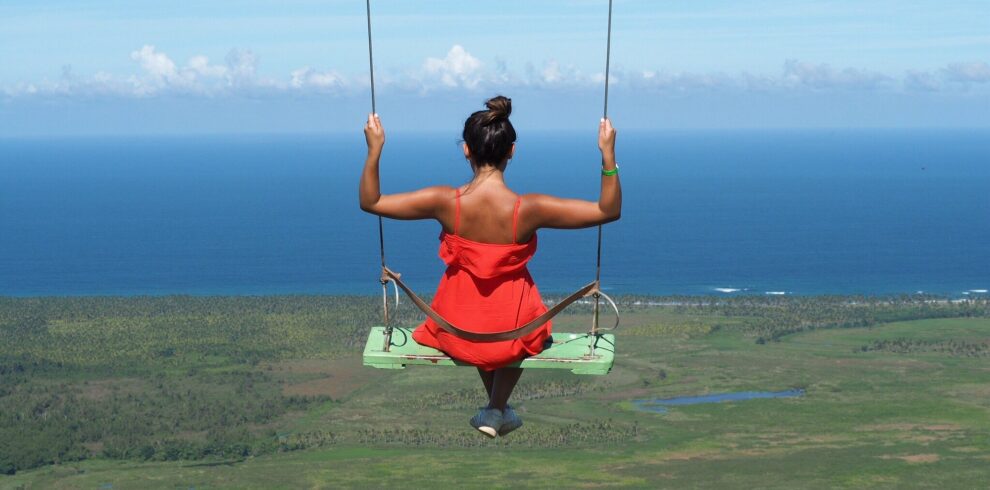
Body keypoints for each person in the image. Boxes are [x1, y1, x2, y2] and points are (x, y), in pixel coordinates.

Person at [359, 95, 621, 437]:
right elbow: (607, 210)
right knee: (524, 328)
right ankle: (496, 409)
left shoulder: (444, 202)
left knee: (488, 335)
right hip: (511, 332)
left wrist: (375, 149)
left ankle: (497, 410)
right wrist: (607, 155)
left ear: (466, 150)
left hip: (456, 331)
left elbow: (371, 201)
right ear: (512, 151)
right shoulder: (529, 209)